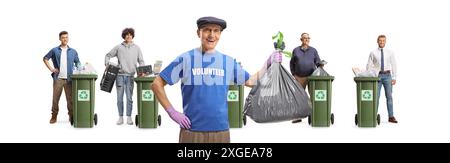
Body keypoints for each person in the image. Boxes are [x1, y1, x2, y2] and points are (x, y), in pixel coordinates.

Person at [151, 16, 282, 143]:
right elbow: (157, 84)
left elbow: (250, 81)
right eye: (207, 29)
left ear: (220, 34)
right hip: (191, 131)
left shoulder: (228, 62)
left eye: (216, 31)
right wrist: (172, 112)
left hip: (221, 131)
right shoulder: (185, 59)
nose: (211, 35)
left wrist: (268, 63)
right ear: (198, 33)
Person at [105, 28, 145, 125]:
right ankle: (120, 117)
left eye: (130, 34)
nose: (129, 36)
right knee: (119, 98)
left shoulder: (137, 48)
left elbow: (141, 61)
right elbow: (108, 55)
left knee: (129, 98)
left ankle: (129, 117)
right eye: (127, 35)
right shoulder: (119, 47)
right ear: (124, 36)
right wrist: (107, 64)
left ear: (132, 36)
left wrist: (142, 71)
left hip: (131, 76)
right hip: (120, 76)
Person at [43, 31, 81, 124]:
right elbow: (45, 58)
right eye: (63, 37)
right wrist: (52, 69)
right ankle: (54, 116)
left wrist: (81, 68)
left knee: (70, 99)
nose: (65, 39)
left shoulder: (73, 51)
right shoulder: (55, 50)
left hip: (70, 79)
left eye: (66, 37)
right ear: (60, 39)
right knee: (55, 99)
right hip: (58, 79)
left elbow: (78, 63)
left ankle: (71, 116)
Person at [289, 33, 323, 123]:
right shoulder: (296, 50)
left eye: (308, 38)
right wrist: (293, 74)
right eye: (305, 38)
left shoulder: (313, 50)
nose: (307, 40)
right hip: (299, 77)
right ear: (301, 39)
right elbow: (291, 63)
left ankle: (314, 114)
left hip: (312, 77)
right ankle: (297, 116)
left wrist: (321, 64)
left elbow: (317, 62)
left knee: (313, 96)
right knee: (298, 96)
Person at [366, 35, 398, 123]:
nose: (382, 42)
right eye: (380, 41)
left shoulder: (390, 52)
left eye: (383, 41)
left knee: (389, 97)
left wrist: (394, 77)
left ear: (385, 41)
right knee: (376, 97)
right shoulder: (373, 52)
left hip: (388, 76)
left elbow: (394, 64)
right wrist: (369, 75)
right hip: (378, 77)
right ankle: (373, 116)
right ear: (377, 41)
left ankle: (391, 116)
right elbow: (369, 65)